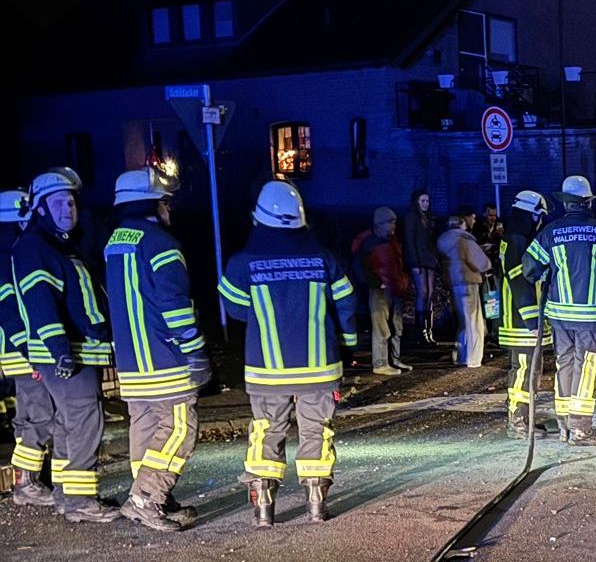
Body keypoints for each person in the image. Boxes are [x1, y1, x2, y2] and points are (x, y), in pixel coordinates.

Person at [218, 180, 358, 527]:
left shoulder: (242, 261)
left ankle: (264, 508)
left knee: (266, 430)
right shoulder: (324, 257)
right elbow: (346, 303)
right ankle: (316, 504)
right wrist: (349, 345)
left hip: (266, 369)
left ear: (257, 217)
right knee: (317, 430)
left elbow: (234, 308)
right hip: (319, 367)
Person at [104, 166, 209, 531]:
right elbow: (175, 305)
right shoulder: (161, 243)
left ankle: (150, 496)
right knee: (181, 428)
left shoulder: (115, 242)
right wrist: (195, 350)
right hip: (164, 358)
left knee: (146, 428)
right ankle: (147, 498)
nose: (169, 208)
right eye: (165, 201)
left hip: (131, 362)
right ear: (151, 203)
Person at [11, 167, 119, 522]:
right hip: (66, 352)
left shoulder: (60, 244)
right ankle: (78, 500)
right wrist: (59, 350)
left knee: (71, 421)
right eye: (58, 202)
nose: (67, 209)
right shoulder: (35, 246)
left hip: (77, 349)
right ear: (40, 208)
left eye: (71, 202)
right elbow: (39, 300)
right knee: (84, 420)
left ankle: (67, 495)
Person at [522, 175, 596, 446]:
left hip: (559, 317)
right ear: (588, 203)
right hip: (591, 317)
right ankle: (581, 428)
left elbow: (529, 268)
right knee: (587, 367)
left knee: (565, 364)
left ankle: (565, 427)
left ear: (565, 204)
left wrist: (548, 273)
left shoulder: (550, 232)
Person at [0, 188, 56, 507]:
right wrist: (30, 353)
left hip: (16, 350)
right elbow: (11, 310)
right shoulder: (10, 256)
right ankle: (26, 482)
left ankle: (29, 480)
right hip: (24, 350)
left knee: (28, 415)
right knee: (42, 414)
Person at [498, 190, 551, 438]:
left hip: (518, 318)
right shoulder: (518, 240)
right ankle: (518, 422)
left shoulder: (513, 237)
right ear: (532, 214)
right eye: (538, 217)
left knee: (528, 370)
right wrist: (532, 320)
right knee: (523, 371)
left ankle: (524, 420)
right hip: (520, 321)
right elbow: (520, 281)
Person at [352, 206, 413, 376]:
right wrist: (377, 283)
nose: (393, 226)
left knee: (395, 326)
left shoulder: (391, 240)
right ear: (379, 224)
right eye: (390, 223)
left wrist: (403, 282)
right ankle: (380, 363)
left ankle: (394, 360)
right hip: (380, 291)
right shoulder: (369, 243)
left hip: (394, 288)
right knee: (381, 327)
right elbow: (360, 268)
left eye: (394, 222)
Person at [436, 208, 490, 368]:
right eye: (471, 218)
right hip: (468, 281)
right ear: (463, 222)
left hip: (454, 282)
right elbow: (482, 263)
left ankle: (460, 356)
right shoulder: (464, 240)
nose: (474, 221)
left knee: (463, 322)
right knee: (473, 322)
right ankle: (473, 359)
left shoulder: (443, 240)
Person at [403, 189, 437, 344]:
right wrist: (414, 262)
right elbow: (409, 240)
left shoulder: (429, 217)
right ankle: (420, 332)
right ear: (416, 202)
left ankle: (428, 331)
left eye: (427, 201)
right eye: (423, 201)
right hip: (418, 259)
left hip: (428, 258)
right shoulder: (412, 217)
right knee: (422, 293)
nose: (425, 204)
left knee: (429, 293)